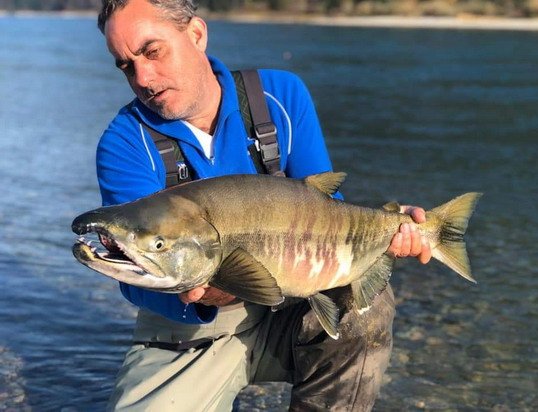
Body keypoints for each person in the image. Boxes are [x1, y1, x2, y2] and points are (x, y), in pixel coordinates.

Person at [95, 0, 432, 410]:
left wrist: (390, 233)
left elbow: (329, 212)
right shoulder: (124, 143)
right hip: (188, 332)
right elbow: (136, 278)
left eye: (152, 51)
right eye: (126, 65)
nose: (143, 77)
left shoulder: (280, 97)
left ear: (196, 34)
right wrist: (200, 296)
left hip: (294, 308)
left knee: (367, 308)